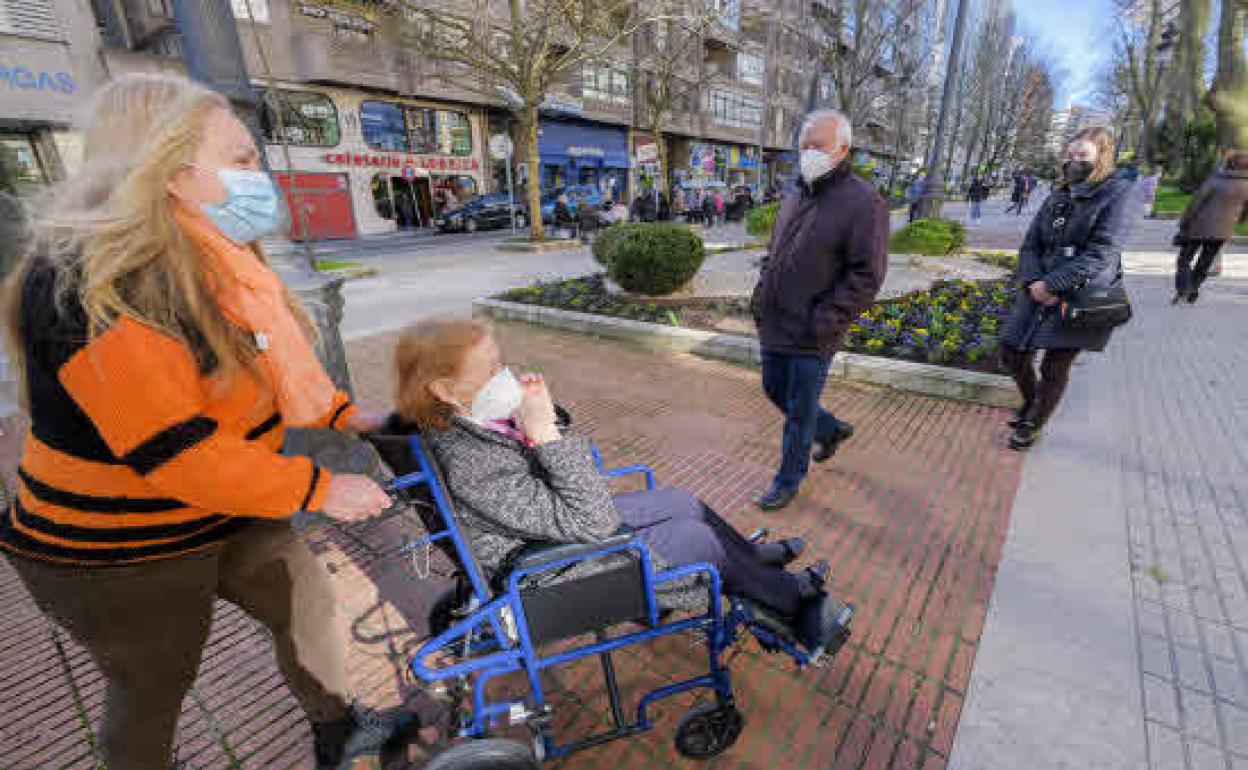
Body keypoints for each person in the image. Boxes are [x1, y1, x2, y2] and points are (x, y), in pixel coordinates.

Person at [0, 73, 400, 770]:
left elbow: (265, 367)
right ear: (172, 171)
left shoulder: (214, 253)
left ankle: (338, 729)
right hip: (118, 544)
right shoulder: (93, 284)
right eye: (242, 160)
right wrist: (320, 488)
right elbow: (177, 452)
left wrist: (344, 416)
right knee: (153, 686)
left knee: (307, 604)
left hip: (228, 503)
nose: (260, 177)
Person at [386, 318, 851, 651]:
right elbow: (593, 518)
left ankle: (747, 562)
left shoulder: (467, 419)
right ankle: (793, 604)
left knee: (680, 500)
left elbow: (561, 492)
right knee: (695, 538)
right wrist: (544, 433)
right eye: (490, 371)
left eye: (500, 363)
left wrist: (540, 421)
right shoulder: (471, 464)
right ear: (445, 391)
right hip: (545, 568)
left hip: (555, 529)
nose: (503, 377)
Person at [750, 110, 889, 511]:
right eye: (804, 145)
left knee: (799, 410)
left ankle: (788, 479)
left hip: (815, 330)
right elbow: (776, 253)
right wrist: (761, 294)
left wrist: (825, 320)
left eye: (818, 146)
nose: (808, 153)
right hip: (777, 320)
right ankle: (830, 430)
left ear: (842, 149)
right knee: (774, 388)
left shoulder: (864, 202)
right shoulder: (796, 194)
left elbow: (867, 274)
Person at [1000, 127, 1133, 451]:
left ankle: (1034, 423)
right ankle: (1033, 402)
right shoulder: (1059, 193)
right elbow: (1031, 244)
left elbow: (1102, 252)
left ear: (1101, 157)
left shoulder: (1117, 194)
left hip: (1080, 293)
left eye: (1082, 156)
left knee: (1053, 366)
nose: (1073, 161)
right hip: (1038, 286)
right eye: (1070, 155)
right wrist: (1033, 282)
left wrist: (1053, 284)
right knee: (1012, 352)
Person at [1171, 151, 1248, 304]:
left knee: (1185, 258)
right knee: (1206, 260)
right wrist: (1238, 220)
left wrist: (1184, 222)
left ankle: (1184, 289)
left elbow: (1196, 202)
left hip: (1198, 226)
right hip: (1223, 230)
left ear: (1228, 163)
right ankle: (1193, 287)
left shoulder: (1216, 179)